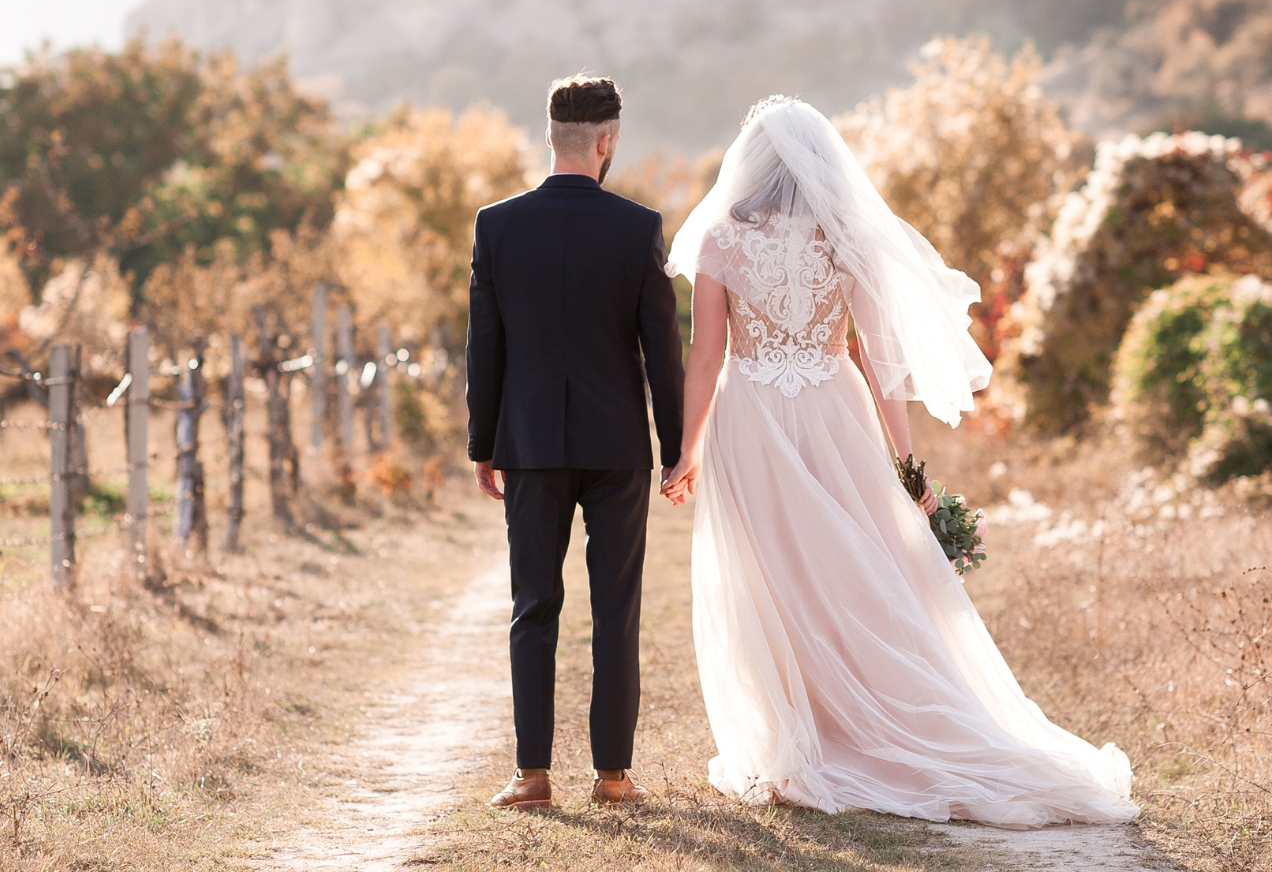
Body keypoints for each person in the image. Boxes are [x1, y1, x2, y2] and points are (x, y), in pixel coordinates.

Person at [659, 96, 1137, 828]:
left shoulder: (721, 239)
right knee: (858, 567)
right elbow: (880, 364)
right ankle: (852, 725)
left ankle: (806, 739)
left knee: (773, 575)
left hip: (749, 412)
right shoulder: (846, 237)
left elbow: (705, 357)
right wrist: (904, 463)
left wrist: (685, 451)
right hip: (833, 408)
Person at [466, 75, 685, 811]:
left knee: (534, 605)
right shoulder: (638, 227)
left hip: (527, 441)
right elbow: (663, 350)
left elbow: (485, 345)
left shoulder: (495, 225)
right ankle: (614, 777)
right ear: (607, 141)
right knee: (615, 608)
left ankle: (532, 776)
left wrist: (482, 443)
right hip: (618, 443)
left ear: (549, 136)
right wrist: (678, 445)